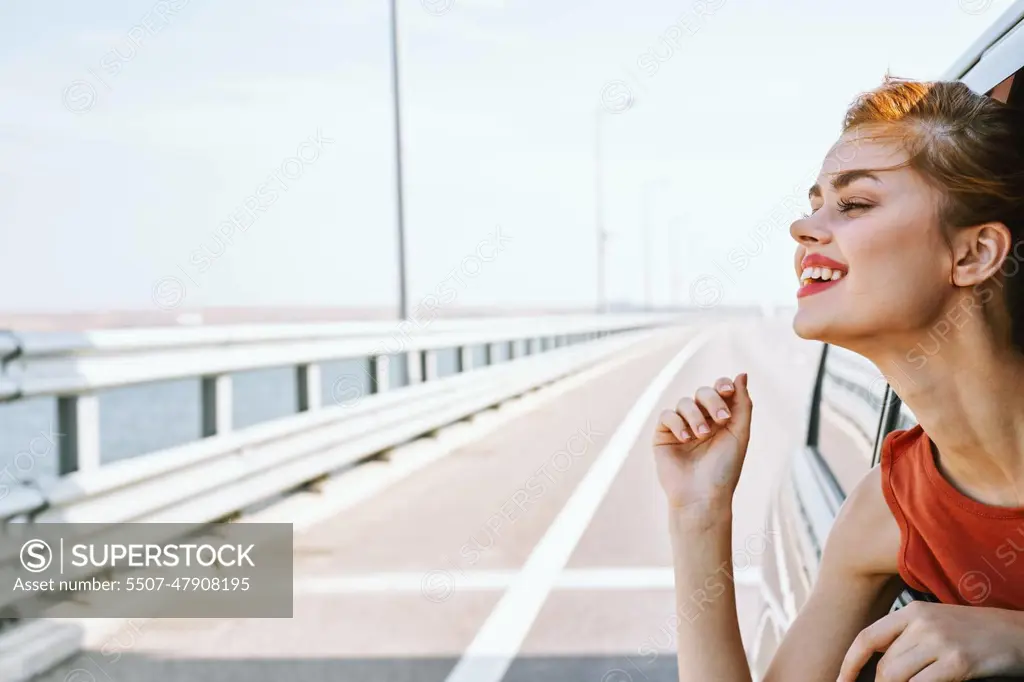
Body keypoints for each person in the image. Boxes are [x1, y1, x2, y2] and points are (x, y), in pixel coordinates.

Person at [654, 75, 1024, 682]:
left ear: (973, 255)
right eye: (815, 203)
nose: (803, 229)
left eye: (853, 204)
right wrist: (698, 514)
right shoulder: (886, 511)